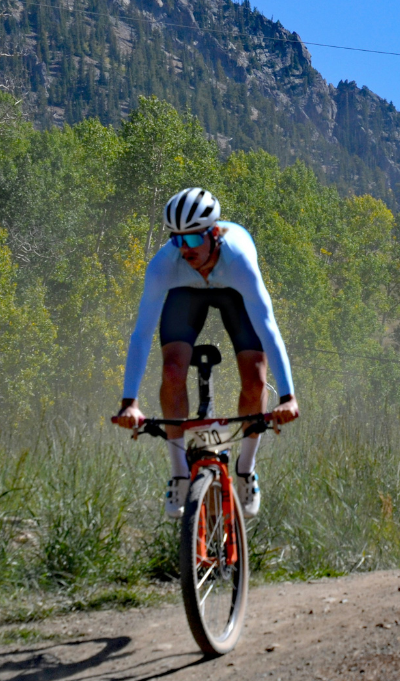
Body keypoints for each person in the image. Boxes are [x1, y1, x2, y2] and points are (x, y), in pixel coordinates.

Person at [113, 188, 300, 518]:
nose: (185, 249)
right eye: (177, 239)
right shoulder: (165, 264)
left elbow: (268, 327)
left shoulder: (238, 258)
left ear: (214, 233)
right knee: (172, 371)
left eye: (193, 240)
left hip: (234, 292)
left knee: (256, 377)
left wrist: (288, 396)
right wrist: (130, 402)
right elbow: (141, 334)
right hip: (185, 292)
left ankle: (245, 470)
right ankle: (179, 474)